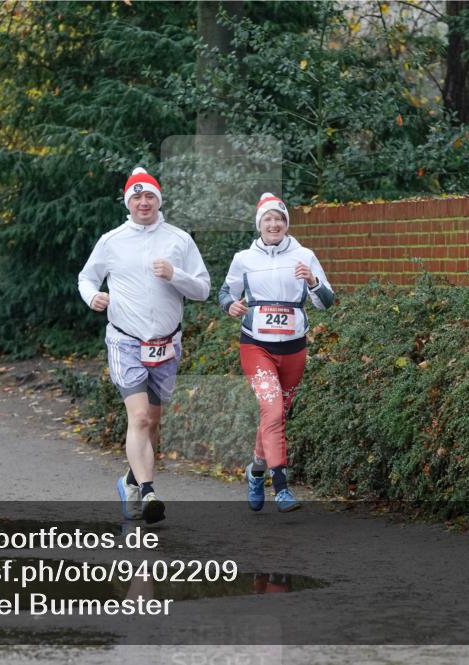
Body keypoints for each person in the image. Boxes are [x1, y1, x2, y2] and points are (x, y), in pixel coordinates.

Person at [78, 167, 210, 523]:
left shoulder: (179, 240)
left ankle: (129, 483)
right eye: (137, 197)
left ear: (158, 200)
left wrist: (175, 274)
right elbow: (87, 277)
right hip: (125, 341)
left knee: (152, 422)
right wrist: (92, 296)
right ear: (128, 203)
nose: (144, 202)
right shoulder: (112, 241)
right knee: (138, 417)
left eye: (150, 196)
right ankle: (149, 491)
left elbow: (203, 289)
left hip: (166, 344)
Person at [218, 193, 334, 512]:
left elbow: (326, 301)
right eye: (268, 219)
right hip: (255, 345)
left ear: (286, 224)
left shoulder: (304, 255)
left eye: (279, 219)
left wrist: (313, 281)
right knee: (271, 410)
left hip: (294, 348)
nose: (274, 224)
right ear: (259, 224)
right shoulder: (244, 258)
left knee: (278, 413)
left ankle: (256, 471)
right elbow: (226, 292)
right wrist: (230, 306)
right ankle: (281, 487)